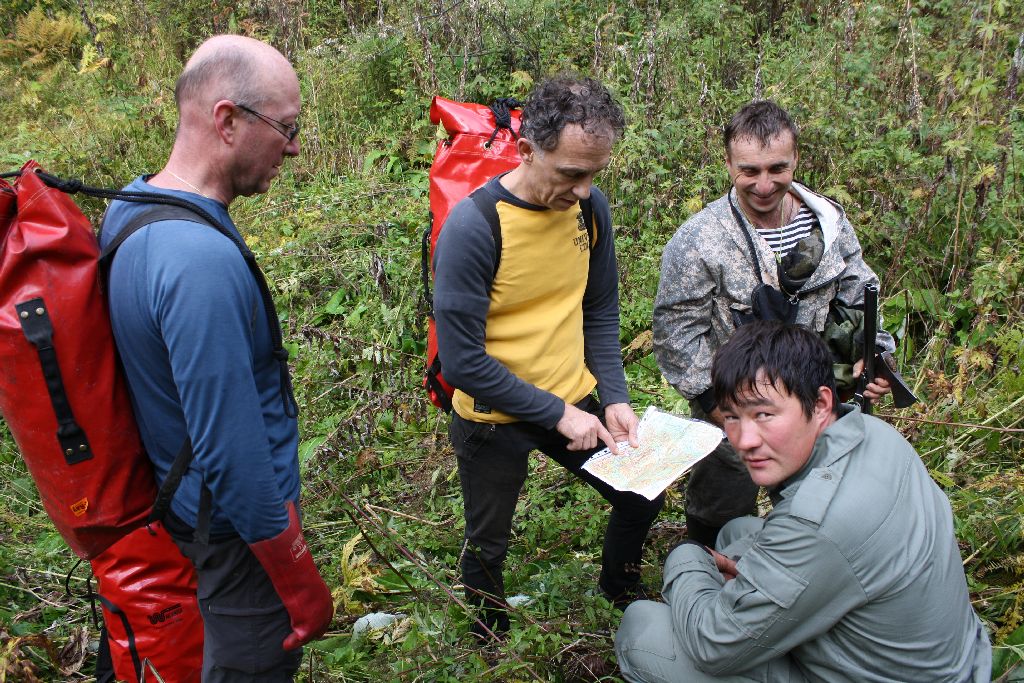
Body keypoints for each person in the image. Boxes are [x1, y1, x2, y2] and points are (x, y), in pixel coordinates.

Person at [100, 35, 333, 681]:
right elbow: (231, 452)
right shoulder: (198, 261)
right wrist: (298, 578)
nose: (293, 147)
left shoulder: (134, 203)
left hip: (181, 506)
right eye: (286, 128)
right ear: (227, 120)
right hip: (233, 539)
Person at [615, 321, 991, 682]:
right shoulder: (873, 432)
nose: (744, 440)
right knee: (737, 531)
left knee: (642, 630)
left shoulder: (818, 519)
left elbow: (712, 645)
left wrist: (687, 557)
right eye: (731, 417)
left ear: (821, 403)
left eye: (764, 414)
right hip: (949, 660)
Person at [432, 76, 665, 637]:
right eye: (571, 174)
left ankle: (619, 592)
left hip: (573, 399)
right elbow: (462, 363)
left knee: (641, 496)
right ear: (527, 150)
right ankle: (491, 638)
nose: (583, 190)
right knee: (488, 543)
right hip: (492, 418)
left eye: (594, 175)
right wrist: (557, 414)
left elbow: (599, 310)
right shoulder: (475, 227)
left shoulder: (589, 210)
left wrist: (614, 398)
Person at [653, 100, 895, 547]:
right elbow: (676, 336)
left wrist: (872, 357)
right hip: (731, 403)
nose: (764, 185)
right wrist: (724, 410)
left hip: (816, 397)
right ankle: (713, 571)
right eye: (749, 171)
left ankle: (808, 570)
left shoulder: (829, 223)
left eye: (777, 169)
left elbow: (860, 293)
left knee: (823, 502)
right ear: (728, 164)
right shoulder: (700, 240)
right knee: (722, 506)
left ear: (796, 159)